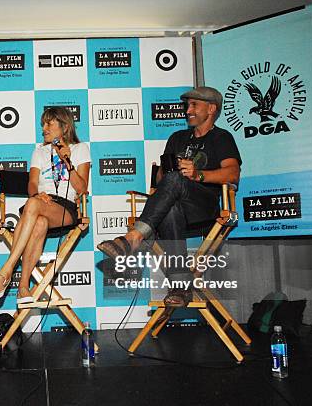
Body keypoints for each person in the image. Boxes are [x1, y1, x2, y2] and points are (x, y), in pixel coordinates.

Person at [97, 86, 242, 306]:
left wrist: (198, 174)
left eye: (194, 105)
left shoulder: (221, 138)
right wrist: (165, 172)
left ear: (211, 108)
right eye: (187, 105)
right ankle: (180, 287)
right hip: (175, 208)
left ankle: (133, 238)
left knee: (175, 180)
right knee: (170, 207)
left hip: (203, 207)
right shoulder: (177, 137)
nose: (188, 110)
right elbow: (162, 179)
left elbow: (233, 174)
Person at [0, 106, 91, 305]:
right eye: (43, 124)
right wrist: (36, 194)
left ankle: (6, 270)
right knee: (39, 222)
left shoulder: (80, 149)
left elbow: (82, 188)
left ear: (64, 126)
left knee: (33, 206)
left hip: (65, 208)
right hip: (40, 201)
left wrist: (67, 161)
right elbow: (32, 183)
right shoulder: (39, 152)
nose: (44, 128)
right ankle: (23, 287)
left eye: (49, 123)